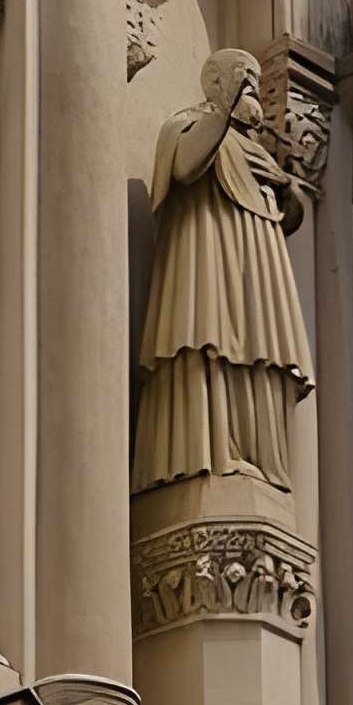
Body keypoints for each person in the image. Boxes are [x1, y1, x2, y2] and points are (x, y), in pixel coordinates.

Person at [132, 48, 313, 495]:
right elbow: (187, 165)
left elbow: (287, 215)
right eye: (245, 82)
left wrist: (285, 186)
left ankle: (260, 456)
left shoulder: (258, 152)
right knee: (207, 339)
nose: (254, 91)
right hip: (209, 266)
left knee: (262, 352)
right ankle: (209, 451)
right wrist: (225, 115)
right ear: (220, 85)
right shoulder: (187, 126)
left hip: (256, 274)